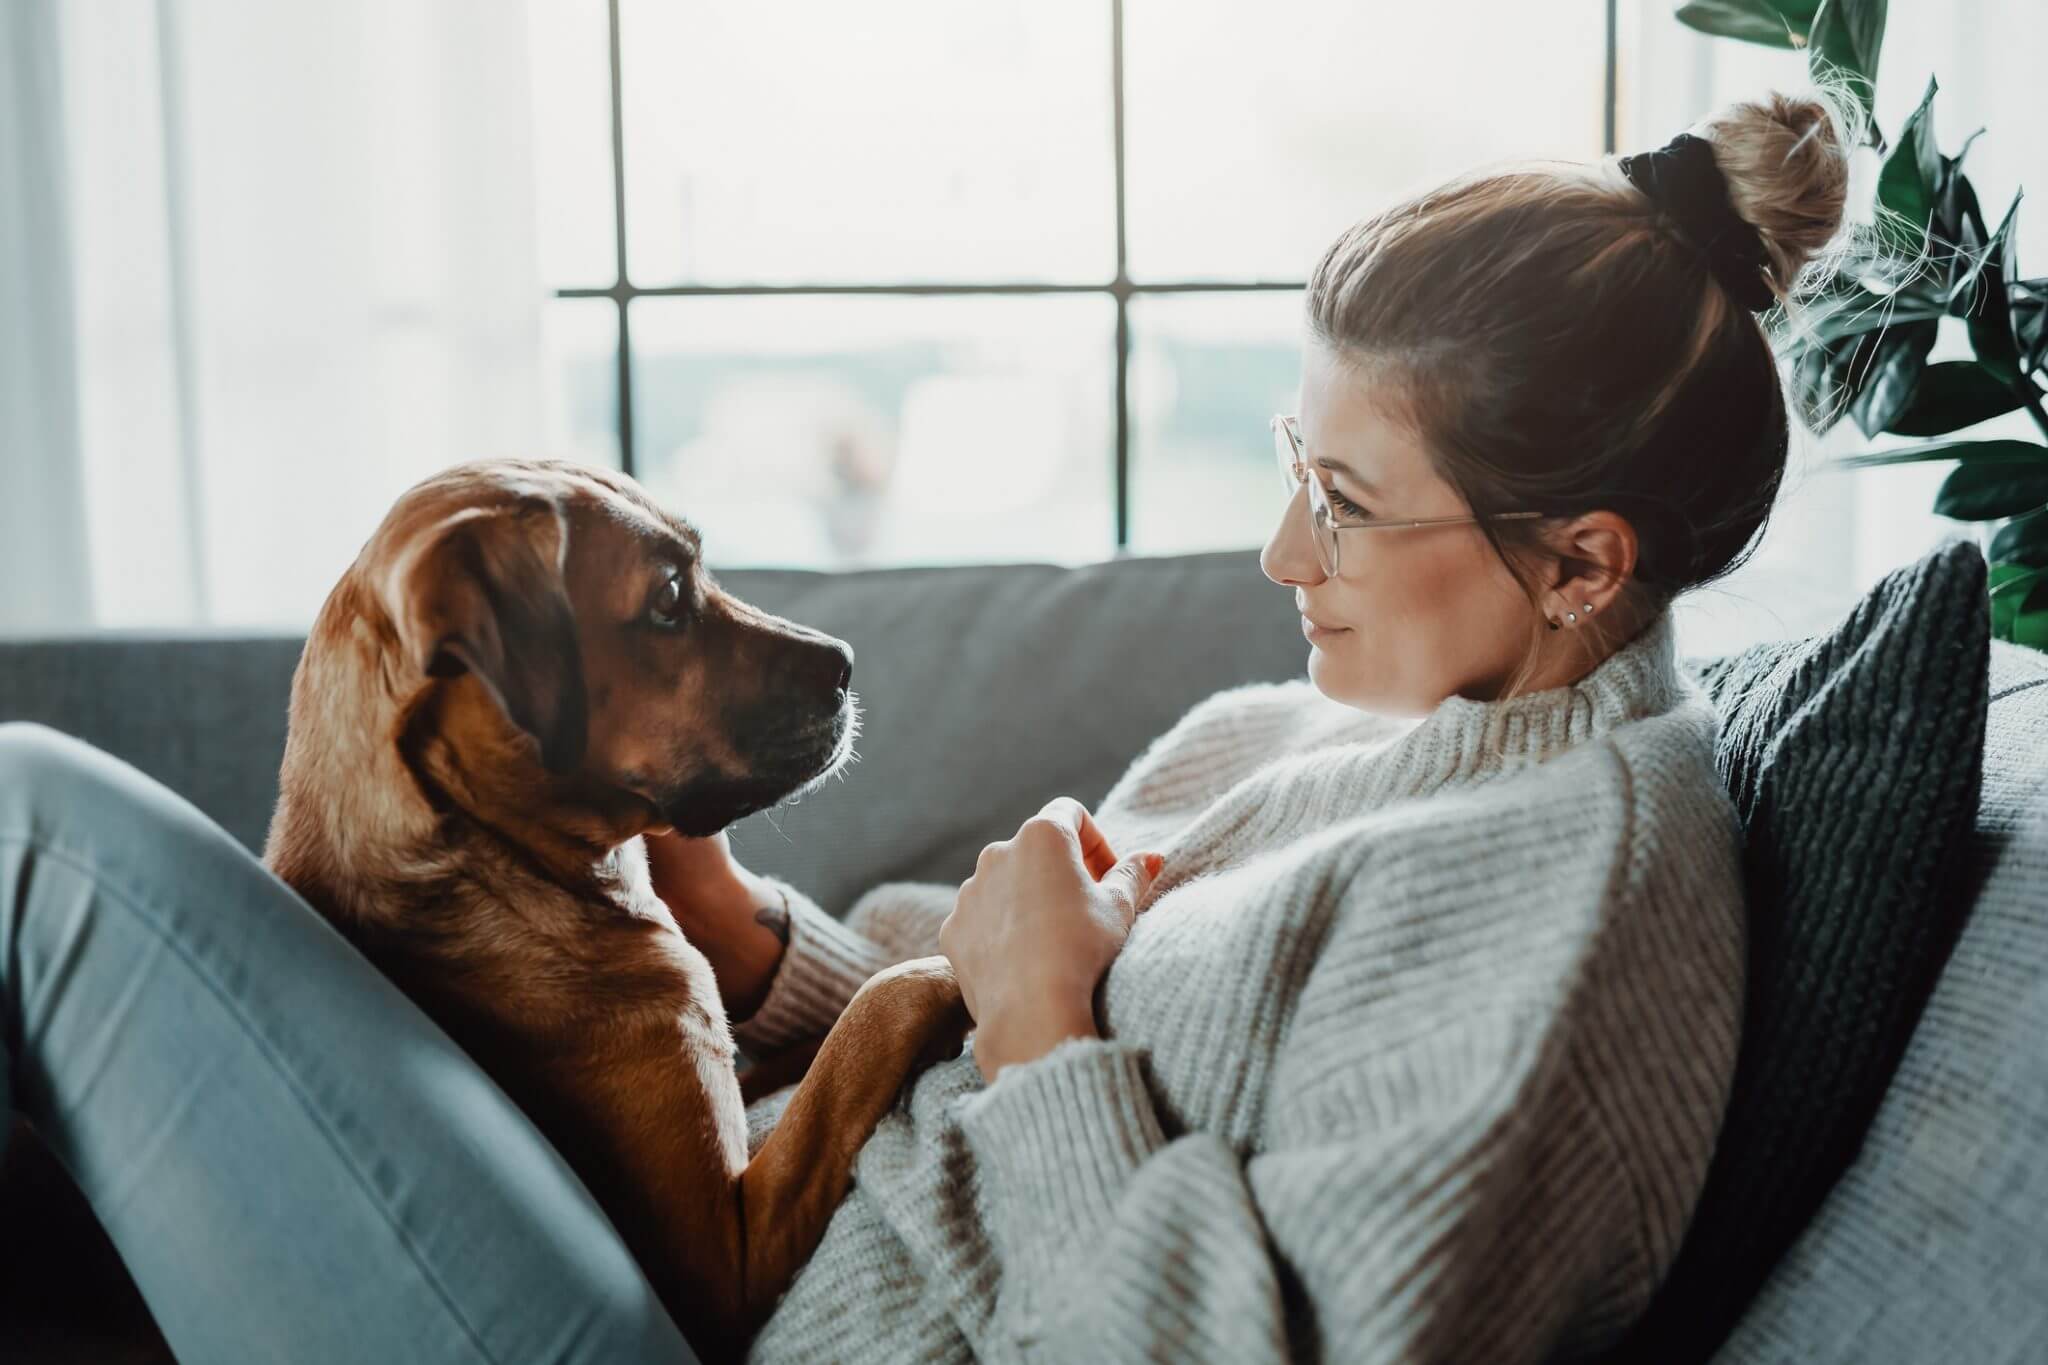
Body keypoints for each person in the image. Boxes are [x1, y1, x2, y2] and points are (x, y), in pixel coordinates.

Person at [0, 83, 1860, 1364]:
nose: (1282, 545)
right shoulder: (1294, 732)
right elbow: (948, 970)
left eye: (1349, 503)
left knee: (28, 835)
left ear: (1583, 560)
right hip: (713, 1231)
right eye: (1301, 464)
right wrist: (752, 949)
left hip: (705, 1325)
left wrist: (1051, 1034)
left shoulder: (1576, 908)